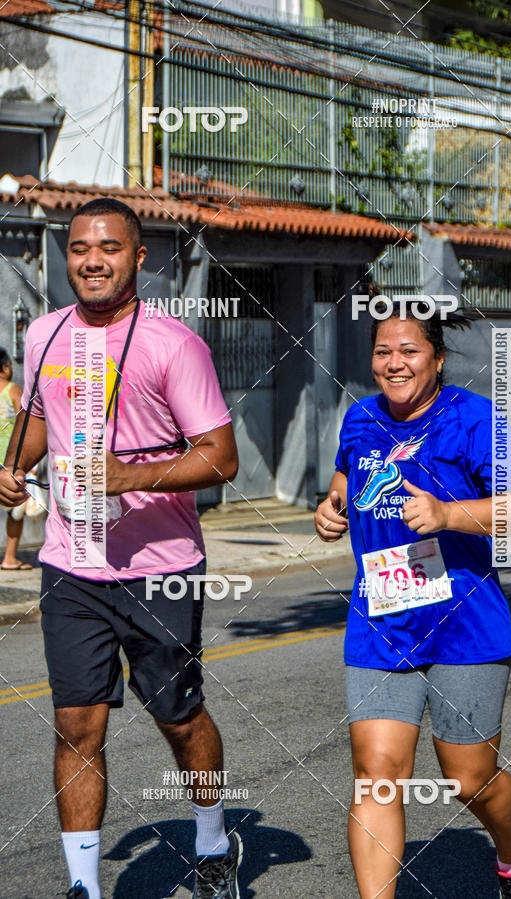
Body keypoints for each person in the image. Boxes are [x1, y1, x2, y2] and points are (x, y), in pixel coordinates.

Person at [0, 198, 242, 899]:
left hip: (159, 565)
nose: (91, 260)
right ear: (65, 257)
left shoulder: (173, 343)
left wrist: (133, 474)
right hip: (71, 561)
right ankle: (85, 885)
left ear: (139, 257)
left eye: (108, 247)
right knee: (76, 721)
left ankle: (212, 839)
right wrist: (14, 469)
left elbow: (221, 457)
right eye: (78, 248)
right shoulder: (44, 334)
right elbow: (40, 420)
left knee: (178, 716)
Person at [315, 304, 511, 899]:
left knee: (468, 780)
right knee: (376, 777)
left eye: (410, 351)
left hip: (463, 624)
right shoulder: (360, 418)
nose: (395, 364)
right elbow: (348, 479)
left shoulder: (474, 419)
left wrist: (448, 514)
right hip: (381, 619)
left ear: (438, 359)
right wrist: (332, 507)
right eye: (383, 352)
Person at [0, 348, 33, 570]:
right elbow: (27, 426)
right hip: (9, 461)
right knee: (15, 509)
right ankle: (9, 558)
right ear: (4, 367)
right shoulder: (13, 391)